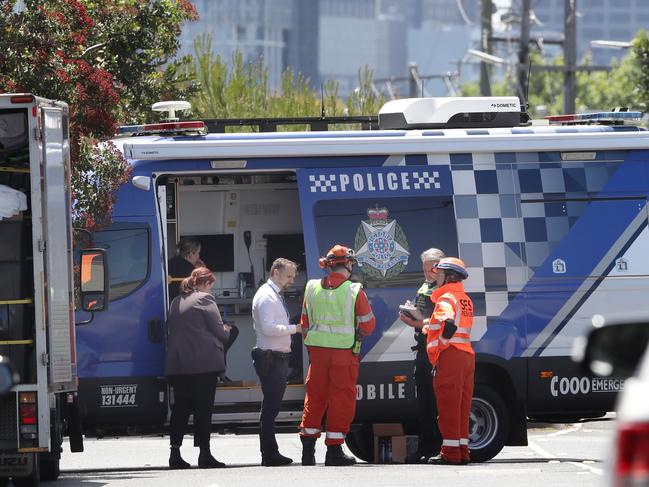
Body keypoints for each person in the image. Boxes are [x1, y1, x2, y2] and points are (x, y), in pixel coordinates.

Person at [299, 245, 376, 466]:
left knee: (314, 398)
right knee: (341, 399)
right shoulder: (353, 290)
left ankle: (307, 451)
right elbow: (368, 325)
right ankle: (334, 451)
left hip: (317, 353)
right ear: (349, 264)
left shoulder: (311, 287)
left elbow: (304, 323)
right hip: (343, 353)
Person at [402, 257, 474, 465]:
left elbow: (448, 325)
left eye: (440, 274)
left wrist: (441, 343)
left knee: (448, 408)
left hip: (450, 356)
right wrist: (429, 328)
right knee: (461, 407)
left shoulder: (445, 299)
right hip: (466, 356)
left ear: (450, 276)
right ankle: (461, 451)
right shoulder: (464, 298)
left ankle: (450, 454)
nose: (437, 277)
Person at [165, 266, 231, 469]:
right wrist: (229, 329)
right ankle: (205, 454)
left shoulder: (176, 301)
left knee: (181, 409)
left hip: (178, 365)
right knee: (203, 410)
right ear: (206, 283)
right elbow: (220, 332)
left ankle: (175, 454)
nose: (211, 290)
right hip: (203, 365)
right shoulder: (204, 298)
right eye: (212, 285)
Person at [251, 258, 302, 467]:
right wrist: (295, 329)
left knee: (271, 408)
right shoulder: (267, 297)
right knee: (270, 409)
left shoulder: (272, 295)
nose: (291, 280)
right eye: (289, 276)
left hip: (275, 357)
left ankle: (271, 452)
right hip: (272, 358)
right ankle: (269, 454)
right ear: (275, 272)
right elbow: (268, 328)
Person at [168, 237, 239, 379]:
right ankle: (220, 370)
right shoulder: (193, 275)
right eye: (198, 253)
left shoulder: (169, 265)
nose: (198, 256)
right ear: (191, 253)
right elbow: (219, 330)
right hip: (195, 321)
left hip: (176, 322)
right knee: (231, 331)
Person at [399, 248, 445, 464]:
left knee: (438, 403)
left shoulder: (446, 290)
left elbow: (440, 323)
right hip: (424, 348)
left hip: (439, 351)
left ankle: (441, 448)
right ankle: (426, 448)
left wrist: (417, 321)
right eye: (425, 270)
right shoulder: (426, 286)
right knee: (425, 403)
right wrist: (412, 313)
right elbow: (424, 315)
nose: (427, 274)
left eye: (431, 270)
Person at [168, 237, 203, 302]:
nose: (198, 256)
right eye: (198, 253)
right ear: (190, 254)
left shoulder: (168, 264)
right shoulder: (191, 271)